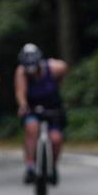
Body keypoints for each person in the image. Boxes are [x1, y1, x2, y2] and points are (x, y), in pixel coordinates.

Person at [14, 43, 69, 184]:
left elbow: (64, 71)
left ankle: (53, 166)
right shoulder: (21, 72)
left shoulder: (55, 67)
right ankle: (30, 165)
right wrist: (23, 106)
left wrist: (59, 87)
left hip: (52, 106)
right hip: (32, 107)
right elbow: (20, 92)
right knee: (31, 128)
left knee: (56, 139)